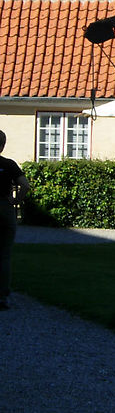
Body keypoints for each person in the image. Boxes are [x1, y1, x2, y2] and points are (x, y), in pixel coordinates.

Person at [0, 130, 30, 310]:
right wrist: (16, 200)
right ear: (2, 146)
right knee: (4, 254)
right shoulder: (9, 164)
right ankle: (2, 296)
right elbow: (25, 185)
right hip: (4, 207)